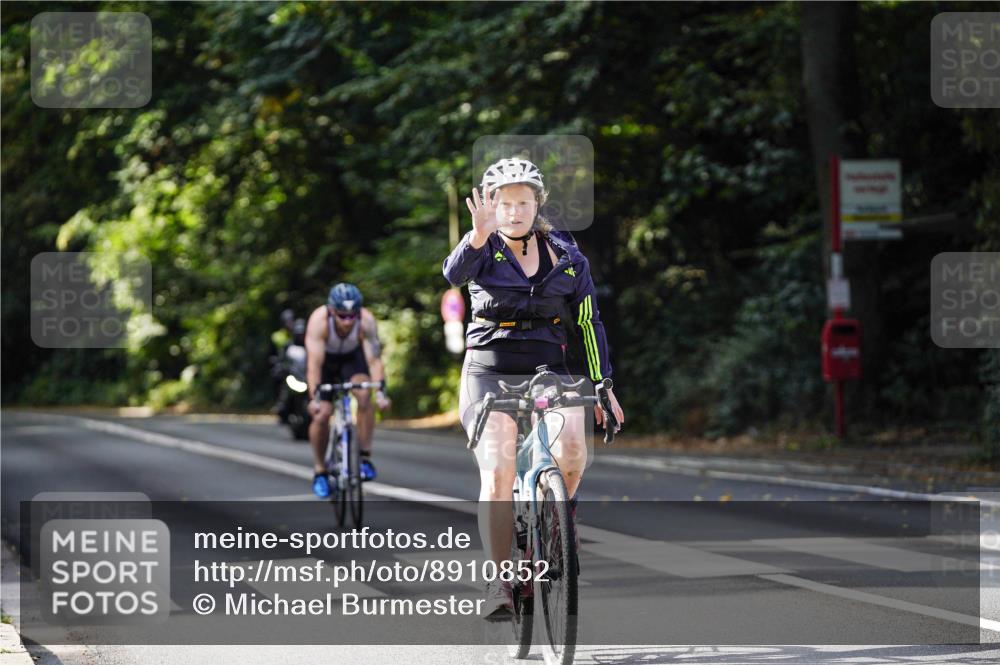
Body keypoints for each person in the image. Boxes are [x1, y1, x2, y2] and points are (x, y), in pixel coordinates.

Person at [442, 157, 624, 620]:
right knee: (500, 470)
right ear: (493, 207)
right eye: (505, 203)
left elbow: (588, 321)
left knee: (573, 452)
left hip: (549, 367)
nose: (515, 211)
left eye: (523, 202)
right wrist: (476, 236)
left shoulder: (566, 254)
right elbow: (453, 274)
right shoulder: (480, 248)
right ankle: (500, 581)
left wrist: (603, 384)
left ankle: (558, 519)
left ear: (537, 204)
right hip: (488, 370)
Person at [304, 282, 391, 497]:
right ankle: (320, 471)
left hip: (352, 359)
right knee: (322, 414)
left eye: (352, 316)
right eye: (342, 316)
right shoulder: (319, 321)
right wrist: (314, 399)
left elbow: (374, 360)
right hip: (326, 362)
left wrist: (380, 393)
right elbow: (314, 364)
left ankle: (364, 457)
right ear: (332, 311)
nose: (347, 321)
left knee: (364, 394)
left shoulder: (366, 321)